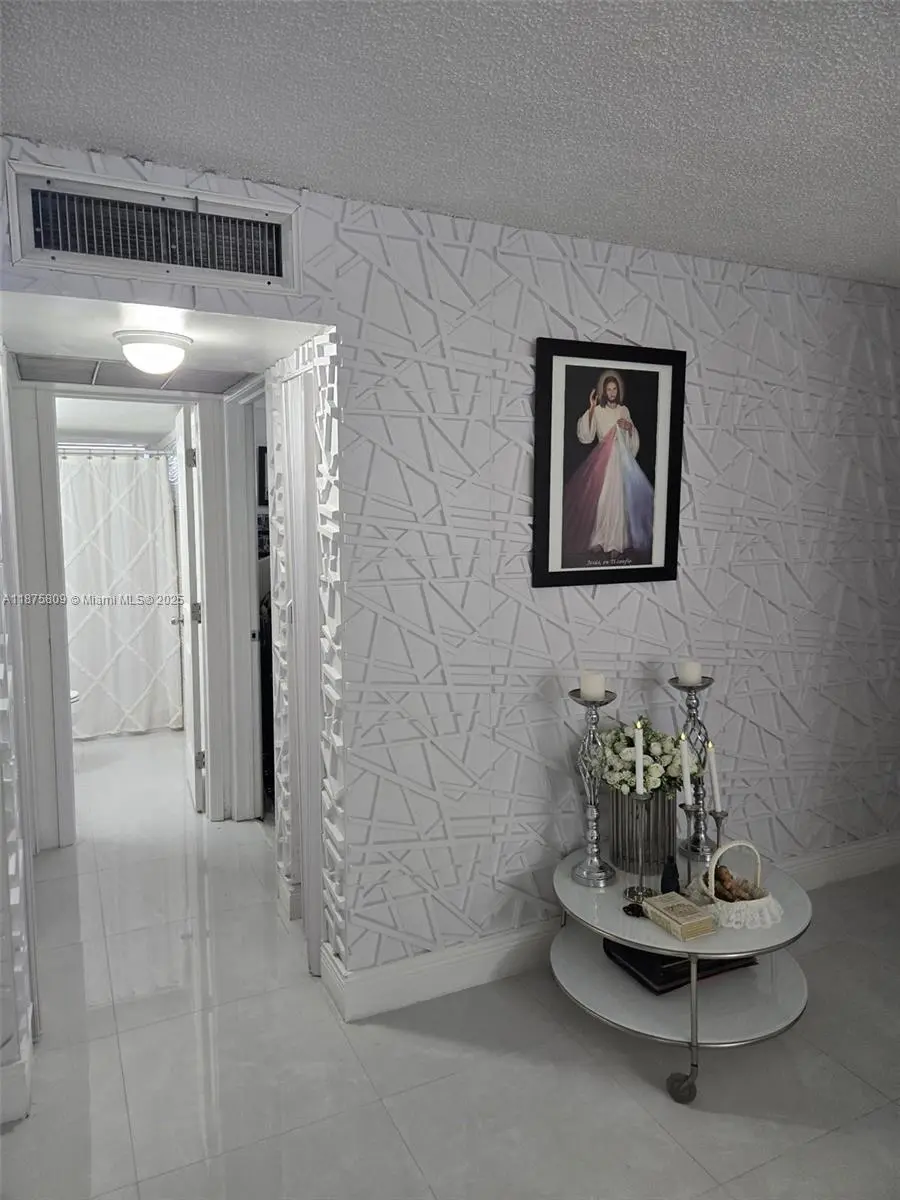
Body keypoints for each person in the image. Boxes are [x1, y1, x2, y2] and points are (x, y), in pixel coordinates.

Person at [562, 370, 654, 564]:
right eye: (608, 389)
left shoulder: (624, 410)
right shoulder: (598, 410)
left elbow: (632, 440)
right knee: (603, 499)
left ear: (618, 391)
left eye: (614, 389)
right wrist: (591, 408)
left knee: (618, 500)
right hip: (602, 461)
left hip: (620, 461)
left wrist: (629, 428)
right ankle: (599, 539)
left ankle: (615, 544)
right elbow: (586, 436)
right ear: (604, 391)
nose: (612, 392)